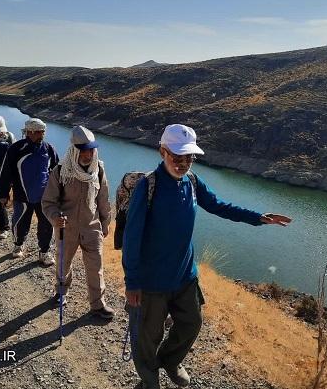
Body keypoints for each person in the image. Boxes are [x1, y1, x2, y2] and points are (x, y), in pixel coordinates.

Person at [122, 124, 292, 389]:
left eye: (189, 157)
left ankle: (169, 360)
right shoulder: (148, 187)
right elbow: (131, 239)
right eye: (177, 157)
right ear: (162, 152)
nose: (183, 163)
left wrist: (258, 217)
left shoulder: (192, 182)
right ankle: (149, 380)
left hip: (184, 276)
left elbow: (218, 205)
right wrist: (132, 282)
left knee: (191, 323)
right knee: (148, 337)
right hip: (151, 282)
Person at [41, 125, 115, 319]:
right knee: (63, 264)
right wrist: (55, 217)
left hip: (92, 227)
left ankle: (98, 305)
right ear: (74, 150)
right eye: (83, 150)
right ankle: (61, 292)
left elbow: (104, 199)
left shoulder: (98, 169)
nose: (88, 154)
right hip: (67, 227)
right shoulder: (61, 171)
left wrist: (105, 222)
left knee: (95, 267)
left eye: (91, 150)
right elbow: (48, 202)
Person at [0, 118, 59, 264]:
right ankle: (18, 246)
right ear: (29, 132)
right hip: (22, 195)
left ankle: (44, 251)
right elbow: (5, 172)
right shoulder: (16, 149)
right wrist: (3, 194)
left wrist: (59, 193)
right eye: (38, 132)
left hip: (44, 197)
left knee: (46, 224)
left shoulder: (48, 148)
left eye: (43, 132)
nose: (41, 135)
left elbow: (57, 171)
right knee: (20, 222)